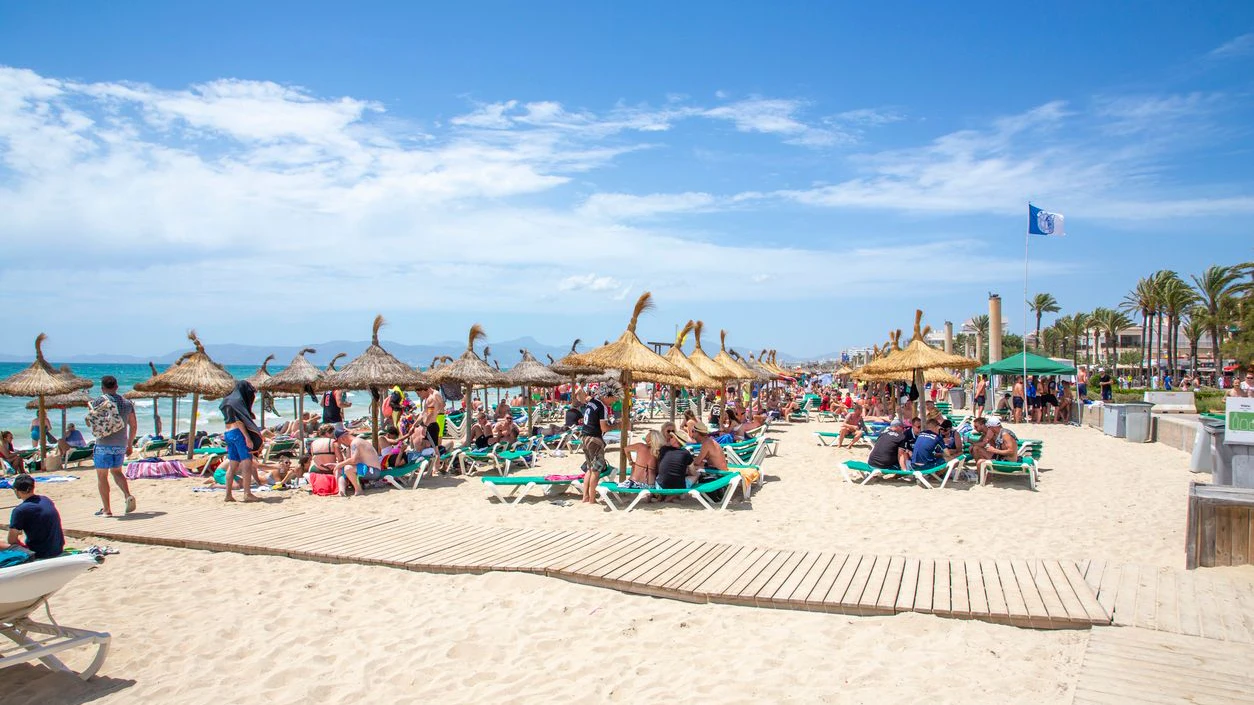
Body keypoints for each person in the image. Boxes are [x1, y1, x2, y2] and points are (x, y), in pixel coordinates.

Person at [91, 375, 138, 517]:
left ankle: (107, 510)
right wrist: (130, 444)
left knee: (102, 476)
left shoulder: (98, 401)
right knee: (117, 472)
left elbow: (94, 423)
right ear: (116, 387)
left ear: (102, 388)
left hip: (103, 444)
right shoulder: (127, 403)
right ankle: (127, 495)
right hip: (120, 444)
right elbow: (133, 425)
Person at [220, 380, 264, 503]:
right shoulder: (237, 401)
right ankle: (247, 493)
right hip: (238, 433)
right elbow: (239, 421)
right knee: (247, 463)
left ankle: (228, 495)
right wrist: (247, 437)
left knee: (232, 465)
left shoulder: (226, 400)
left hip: (228, 433)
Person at [6, 474, 64, 560]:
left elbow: (12, 540)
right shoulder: (46, 500)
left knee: (3, 545)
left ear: (16, 490)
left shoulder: (20, 510)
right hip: (58, 549)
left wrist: (24, 546)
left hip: (39, 554)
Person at [578, 384, 617, 504]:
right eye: (613, 399)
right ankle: (592, 499)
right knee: (596, 470)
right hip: (594, 439)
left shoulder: (592, 402)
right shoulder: (602, 406)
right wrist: (618, 425)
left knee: (589, 468)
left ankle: (585, 497)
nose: (614, 402)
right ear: (607, 396)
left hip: (585, 437)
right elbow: (604, 428)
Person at [331, 426, 383, 496]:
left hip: (374, 471)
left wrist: (339, 464)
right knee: (340, 469)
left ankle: (359, 490)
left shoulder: (355, 443)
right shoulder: (355, 442)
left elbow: (353, 460)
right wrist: (338, 465)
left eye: (340, 442)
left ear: (342, 439)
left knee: (348, 468)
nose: (341, 444)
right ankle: (341, 492)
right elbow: (352, 461)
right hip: (368, 469)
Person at [655, 425, 696, 490]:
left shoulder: (663, 449)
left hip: (660, 487)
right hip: (679, 489)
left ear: (675, 441)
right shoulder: (686, 453)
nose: (670, 438)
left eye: (672, 437)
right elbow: (693, 472)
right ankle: (681, 494)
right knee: (696, 475)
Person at [416, 385, 445, 475]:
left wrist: (425, 426)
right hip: (430, 425)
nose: (418, 396)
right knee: (425, 446)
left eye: (419, 394)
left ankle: (436, 468)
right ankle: (428, 467)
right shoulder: (428, 399)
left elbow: (430, 413)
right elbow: (424, 413)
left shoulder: (431, 398)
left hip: (431, 426)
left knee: (435, 448)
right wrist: (415, 424)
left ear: (423, 390)